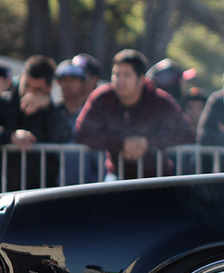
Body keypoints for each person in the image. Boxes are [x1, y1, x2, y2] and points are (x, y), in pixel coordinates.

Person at [74, 49, 192, 180]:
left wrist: (147, 143)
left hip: (158, 177)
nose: (119, 80)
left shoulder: (159, 101)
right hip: (116, 175)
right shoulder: (102, 97)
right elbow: (81, 132)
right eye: (116, 74)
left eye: (126, 75)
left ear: (141, 79)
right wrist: (122, 143)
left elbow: (185, 132)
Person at [0, 55, 71, 191]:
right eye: (27, 85)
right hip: (6, 190)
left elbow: (64, 135)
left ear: (49, 87)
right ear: (22, 76)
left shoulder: (54, 109)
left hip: (43, 190)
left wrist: (48, 106)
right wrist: (10, 136)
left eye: (37, 89)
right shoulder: (1, 102)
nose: (29, 92)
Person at [55, 59, 97, 184]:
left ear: (83, 82)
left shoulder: (93, 114)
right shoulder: (51, 113)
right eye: (63, 79)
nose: (67, 84)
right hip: (54, 190)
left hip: (86, 189)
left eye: (73, 78)